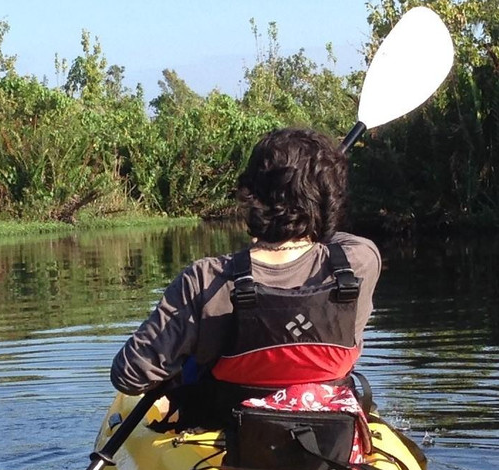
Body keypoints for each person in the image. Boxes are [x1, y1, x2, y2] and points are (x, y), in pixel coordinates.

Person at [110, 127, 381, 434]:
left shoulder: (205, 278)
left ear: (250, 195)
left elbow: (129, 376)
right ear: (331, 198)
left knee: (189, 367)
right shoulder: (361, 260)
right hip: (330, 436)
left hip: (227, 440)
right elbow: (331, 238)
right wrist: (315, 209)